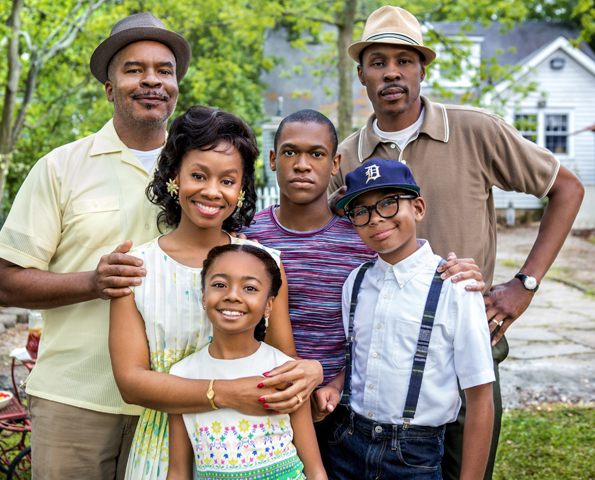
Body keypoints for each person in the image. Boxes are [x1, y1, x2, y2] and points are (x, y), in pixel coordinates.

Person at [328, 6, 584, 479]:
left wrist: (525, 283)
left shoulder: (475, 129)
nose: (391, 72)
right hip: (388, 360)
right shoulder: (348, 155)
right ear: (360, 72)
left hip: (467, 342)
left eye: (404, 60)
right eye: (377, 61)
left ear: (423, 68)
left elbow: (566, 188)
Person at [0, 12, 192, 479]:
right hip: (75, 400)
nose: (152, 81)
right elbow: (8, 285)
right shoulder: (60, 168)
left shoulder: (197, 171)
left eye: (164, 70)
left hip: (169, 404)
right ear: (109, 87)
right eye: (134, 69)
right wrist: (92, 281)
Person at [109, 106, 323, 480]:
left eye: (227, 180)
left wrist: (313, 370)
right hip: (161, 453)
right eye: (198, 175)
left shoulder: (264, 263)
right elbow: (131, 382)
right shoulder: (137, 267)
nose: (212, 191)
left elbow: (285, 367)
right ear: (174, 177)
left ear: (241, 190)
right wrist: (226, 391)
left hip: (254, 448)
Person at [243, 109, 484, 414]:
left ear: (335, 164)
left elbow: (405, 289)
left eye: (316, 154)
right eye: (290, 152)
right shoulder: (246, 238)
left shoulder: (365, 235)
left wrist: (455, 270)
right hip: (265, 397)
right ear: (273, 159)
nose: (302, 165)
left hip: (344, 408)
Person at [317, 159, 495, 480]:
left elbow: (480, 396)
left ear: (418, 208)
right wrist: (334, 385)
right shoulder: (354, 283)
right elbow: (362, 357)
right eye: (362, 211)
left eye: (388, 203)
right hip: (346, 443)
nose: (375, 219)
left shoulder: (455, 287)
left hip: (414, 456)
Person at [167, 244, 328, 480]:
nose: (232, 295)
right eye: (220, 285)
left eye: (250, 288)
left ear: (269, 305)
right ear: (203, 297)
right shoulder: (182, 374)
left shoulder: (286, 370)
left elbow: (314, 469)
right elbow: (178, 472)